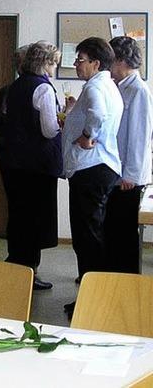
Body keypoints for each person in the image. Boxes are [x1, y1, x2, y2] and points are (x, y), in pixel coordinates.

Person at [62, 37, 123, 317]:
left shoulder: (97, 86)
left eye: (80, 59)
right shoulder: (106, 85)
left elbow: (97, 114)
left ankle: (91, 300)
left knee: (87, 239)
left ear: (96, 63)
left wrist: (87, 135)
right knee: (94, 236)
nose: (76, 64)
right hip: (101, 167)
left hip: (91, 169)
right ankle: (95, 295)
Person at [0, 41, 62, 290]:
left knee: (18, 216)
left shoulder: (14, 86)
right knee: (36, 219)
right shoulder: (43, 89)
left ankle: (17, 265)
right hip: (37, 164)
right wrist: (64, 124)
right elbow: (48, 130)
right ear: (45, 63)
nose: (54, 67)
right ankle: (30, 271)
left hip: (13, 161)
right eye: (53, 62)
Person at [104, 36, 153, 274]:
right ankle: (111, 280)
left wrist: (130, 175)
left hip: (128, 179)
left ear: (122, 61)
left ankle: (125, 284)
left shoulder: (138, 90)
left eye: (110, 60)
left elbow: (139, 137)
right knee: (113, 233)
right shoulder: (120, 87)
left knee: (123, 236)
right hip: (116, 173)